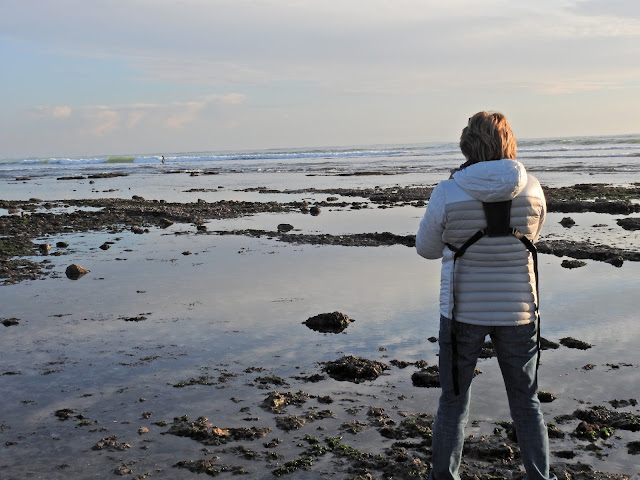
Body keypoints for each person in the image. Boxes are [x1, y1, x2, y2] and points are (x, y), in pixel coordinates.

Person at [415, 111, 556, 480]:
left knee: (454, 400)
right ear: (509, 141)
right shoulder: (534, 188)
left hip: (462, 311)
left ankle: (445, 476)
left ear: (467, 144)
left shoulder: (447, 191)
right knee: (526, 401)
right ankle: (540, 477)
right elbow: (531, 240)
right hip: (520, 310)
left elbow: (426, 249)